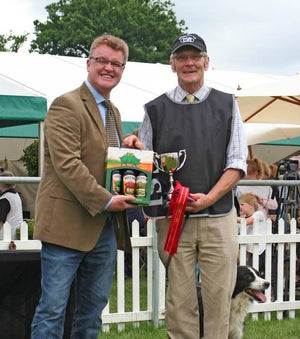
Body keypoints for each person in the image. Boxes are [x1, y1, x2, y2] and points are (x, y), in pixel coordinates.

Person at [123, 33, 247, 339]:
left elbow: (238, 162)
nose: (188, 63)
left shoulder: (228, 104)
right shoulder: (155, 109)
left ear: (206, 62)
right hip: (173, 220)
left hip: (218, 216)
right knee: (179, 301)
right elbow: (148, 162)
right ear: (172, 64)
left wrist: (211, 197)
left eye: (195, 56)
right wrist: (135, 149)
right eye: (181, 57)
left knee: (219, 299)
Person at [31, 35, 138, 338]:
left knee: (92, 314)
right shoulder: (65, 104)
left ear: (122, 69)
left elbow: (106, 159)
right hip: (66, 226)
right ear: (88, 63)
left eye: (116, 63)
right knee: (52, 312)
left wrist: (128, 148)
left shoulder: (114, 113)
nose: (108, 68)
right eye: (102, 61)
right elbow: (68, 165)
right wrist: (107, 201)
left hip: (103, 228)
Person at [237, 193, 267, 274]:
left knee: (251, 273)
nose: (240, 207)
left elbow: (247, 222)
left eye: (242, 204)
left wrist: (233, 217)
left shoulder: (258, 214)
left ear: (251, 205)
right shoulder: (243, 218)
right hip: (252, 252)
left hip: (261, 251)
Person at [0, 171, 23, 240]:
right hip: (15, 236)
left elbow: (0, 221)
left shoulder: (5, 199)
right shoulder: (16, 196)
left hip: (5, 239)